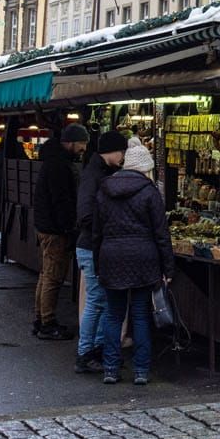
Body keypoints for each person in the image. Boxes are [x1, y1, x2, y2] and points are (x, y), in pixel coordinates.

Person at [93, 138, 173, 386]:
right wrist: (167, 268)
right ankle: (140, 370)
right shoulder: (150, 192)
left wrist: (99, 264)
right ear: (145, 168)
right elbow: (161, 233)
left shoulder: (105, 189)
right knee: (140, 316)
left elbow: (97, 232)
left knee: (113, 315)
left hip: (112, 256)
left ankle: (110, 368)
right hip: (143, 258)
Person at [30, 124, 88, 340]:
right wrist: (68, 228)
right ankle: (47, 323)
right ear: (71, 142)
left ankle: (40, 319)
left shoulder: (53, 161)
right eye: (82, 143)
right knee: (53, 276)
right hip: (55, 230)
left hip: (46, 226)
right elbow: (61, 201)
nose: (83, 148)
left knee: (45, 275)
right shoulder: (59, 166)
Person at [74, 129, 125, 372]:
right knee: (96, 301)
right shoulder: (93, 175)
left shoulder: (100, 172)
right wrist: (104, 227)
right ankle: (85, 353)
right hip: (91, 246)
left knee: (101, 300)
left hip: (95, 246)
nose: (123, 156)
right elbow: (85, 214)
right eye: (122, 151)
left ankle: (95, 349)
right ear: (112, 151)